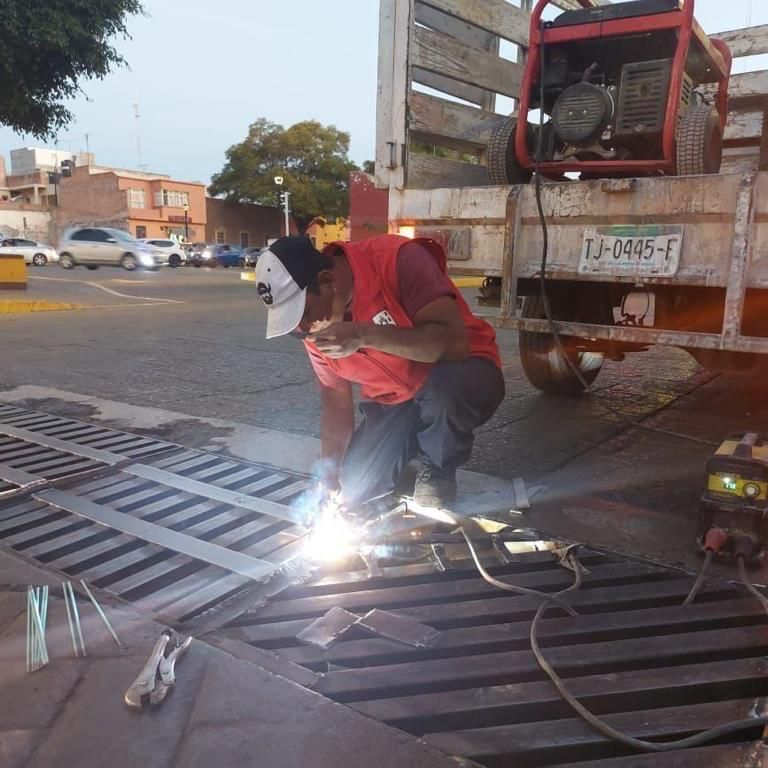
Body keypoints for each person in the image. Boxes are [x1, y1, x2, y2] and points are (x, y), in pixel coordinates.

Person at [254, 234, 505, 510]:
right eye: (294, 329)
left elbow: (454, 345)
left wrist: (363, 335)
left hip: (463, 372)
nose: (305, 330)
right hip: (397, 399)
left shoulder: (398, 259)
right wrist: (330, 471)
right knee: (354, 487)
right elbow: (335, 400)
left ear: (327, 281)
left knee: (443, 393)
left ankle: (438, 469)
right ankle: (405, 454)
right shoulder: (313, 332)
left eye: (305, 315)